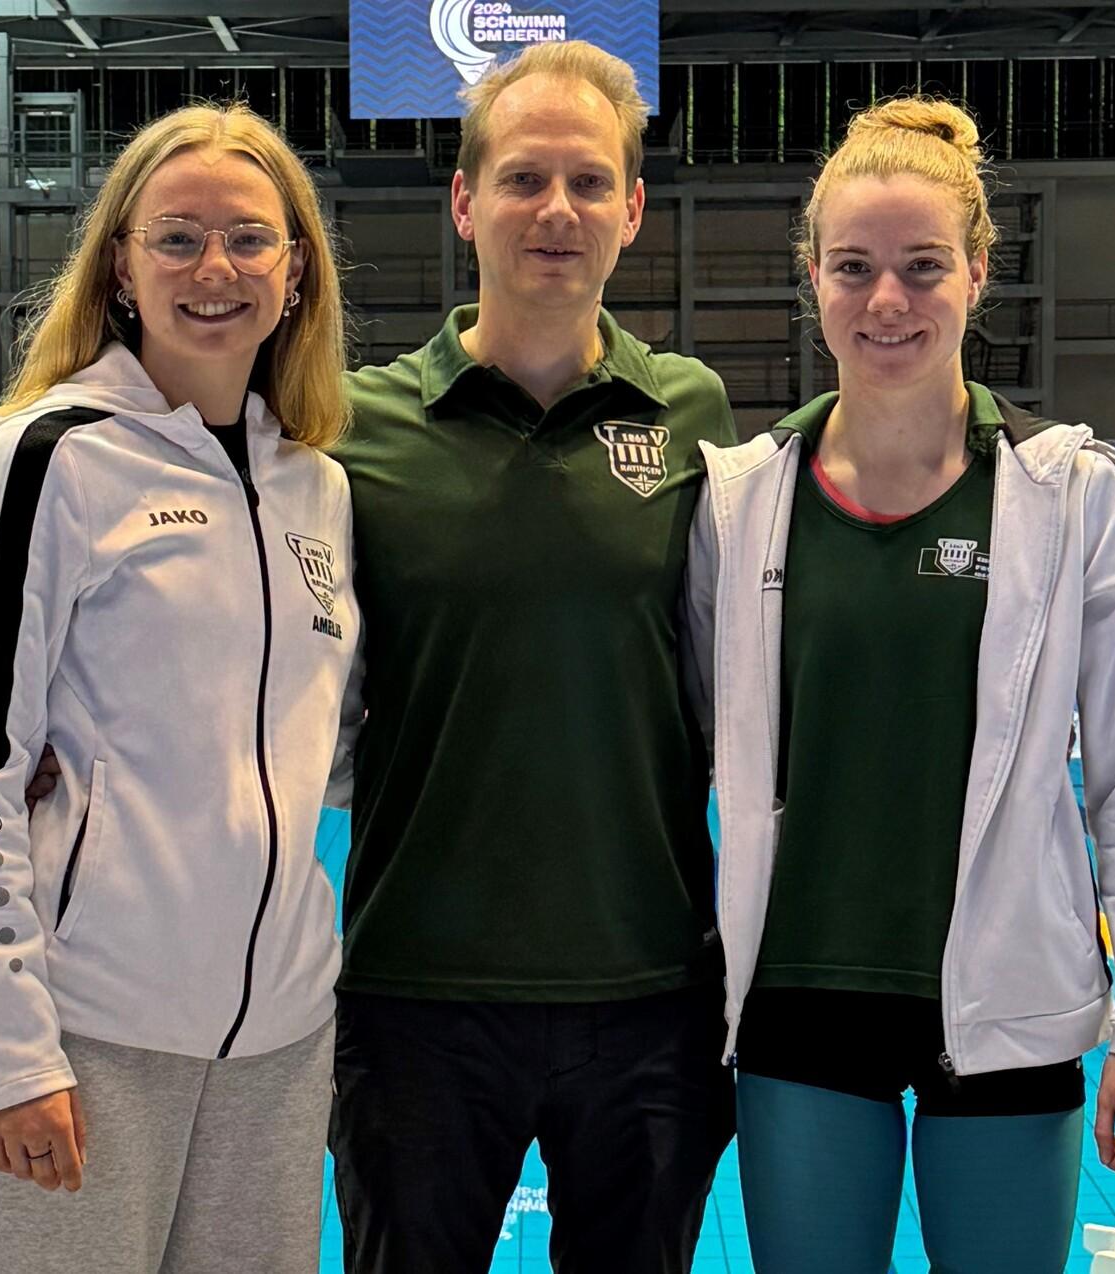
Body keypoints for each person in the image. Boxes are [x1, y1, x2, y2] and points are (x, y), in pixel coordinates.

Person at [687, 96, 1115, 1273]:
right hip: (801, 1006)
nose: (887, 301)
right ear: (812, 276)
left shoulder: (1074, 496)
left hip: (1014, 1007)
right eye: (855, 267)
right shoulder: (742, 499)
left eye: (922, 267)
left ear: (977, 273)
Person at [0, 101, 357, 1274]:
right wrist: (15, 1051)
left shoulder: (317, 487)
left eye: (250, 238)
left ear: (296, 269)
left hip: (278, 1045)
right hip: (90, 1035)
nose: (215, 268)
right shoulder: (49, 459)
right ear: (121, 264)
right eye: (177, 237)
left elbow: (326, 746)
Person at [331, 40, 738, 1274]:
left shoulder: (694, 415)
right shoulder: (357, 428)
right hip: (416, 991)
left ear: (633, 209)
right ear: (465, 203)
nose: (554, 210)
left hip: (650, 986)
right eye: (521, 179)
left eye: (587, 180)